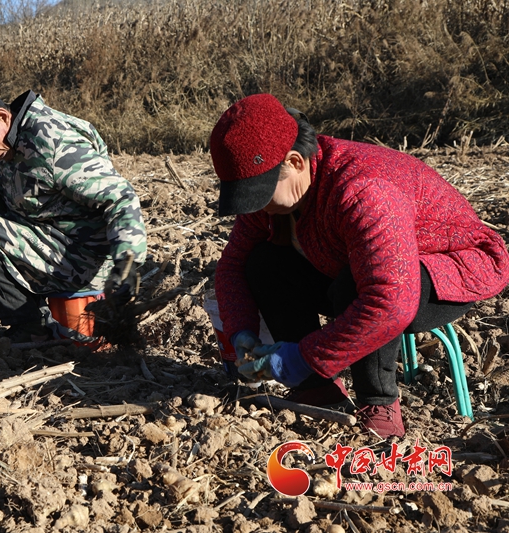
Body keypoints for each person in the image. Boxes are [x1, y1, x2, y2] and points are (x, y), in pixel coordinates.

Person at [211, 93, 509, 438]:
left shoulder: (364, 190)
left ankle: (379, 402)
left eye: (261, 194)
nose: (258, 207)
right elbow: (233, 265)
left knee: (359, 281)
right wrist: (241, 332)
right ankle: (315, 389)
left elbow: (389, 300)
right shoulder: (280, 197)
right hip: (347, 264)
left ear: (294, 162)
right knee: (263, 261)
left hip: (446, 269)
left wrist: (304, 357)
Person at [0, 88, 147, 342]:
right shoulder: (14, 144)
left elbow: (120, 197)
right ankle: (33, 323)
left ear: (2, 116)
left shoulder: (53, 143)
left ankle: (31, 327)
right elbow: (3, 196)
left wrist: (127, 264)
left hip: (90, 261)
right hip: (61, 244)